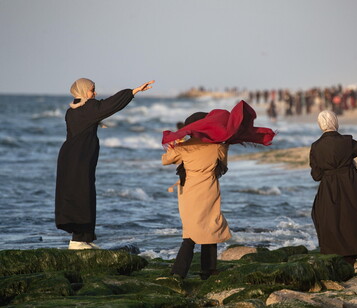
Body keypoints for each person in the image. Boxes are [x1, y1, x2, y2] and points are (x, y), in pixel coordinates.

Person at [162, 101, 275, 280]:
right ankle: (208, 270)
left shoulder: (184, 147)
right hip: (209, 191)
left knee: (190, 232)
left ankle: (178, 273)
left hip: (189, 193)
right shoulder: (218, 147)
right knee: (210, 227)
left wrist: (175, 145)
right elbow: (222, 165)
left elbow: (165, 160)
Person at [55, 78, 155, 250]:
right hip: (79, 158)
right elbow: (110, 105)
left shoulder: (72, 111)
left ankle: (84, 239)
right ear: (83, 90)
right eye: (92, 90)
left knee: (81, 194)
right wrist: (133, 91)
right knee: (82, 195)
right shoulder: (89, 108)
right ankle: (78, 241)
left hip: (71, 157)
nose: (94, 93)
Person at [309, 110, 357, 266]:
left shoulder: (315, 147)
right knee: (354, 214)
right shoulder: (346, 142)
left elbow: (316, 176)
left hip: (328, 187)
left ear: (320, 125)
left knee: (330, 218)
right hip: (350, 184)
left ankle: (334, 253)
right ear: (335, 122)